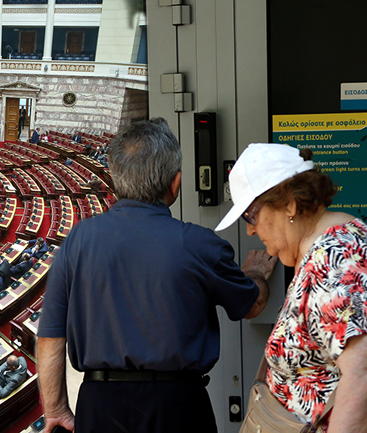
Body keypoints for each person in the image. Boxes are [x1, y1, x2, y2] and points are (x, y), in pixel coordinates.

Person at [37, 118, 276, 433]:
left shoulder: (77, 240)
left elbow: (51, 335)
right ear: (175, 183)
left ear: (115, 179)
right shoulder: (200, 244)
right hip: (177, 407)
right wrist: (255, 273)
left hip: (99, 405)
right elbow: (251, 305)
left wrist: (55, 407)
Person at [216, 143, 367, 432]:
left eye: (251, 215)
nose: (250, 229)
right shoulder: (333, 240)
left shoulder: (332, 260)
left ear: (289, 204)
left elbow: (361, 376)